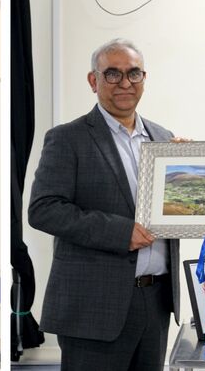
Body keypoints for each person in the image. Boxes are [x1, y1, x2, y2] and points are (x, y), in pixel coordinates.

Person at [28, 38, 180, 371]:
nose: (125, 83)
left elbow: (173, 208)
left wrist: (189, 169)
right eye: (113, 74)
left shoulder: (164, 138)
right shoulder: (67, 138)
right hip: (93, 307)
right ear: (93, 81)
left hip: (155, 301)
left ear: (144, 78)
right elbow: (43, 209)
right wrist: (121, 233)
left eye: (134, 73)